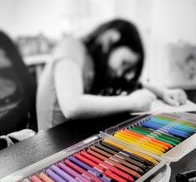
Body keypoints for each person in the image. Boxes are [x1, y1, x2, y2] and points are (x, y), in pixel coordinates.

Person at [37, 19, 187, 130]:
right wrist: (132, 102)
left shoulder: (93, 63)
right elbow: (72, 105)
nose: (121, 73)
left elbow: (127, 84)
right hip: (53, 146)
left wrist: (163, 92)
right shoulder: (71, 46)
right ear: (110, 38)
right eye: (124, 63)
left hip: (73, 136)